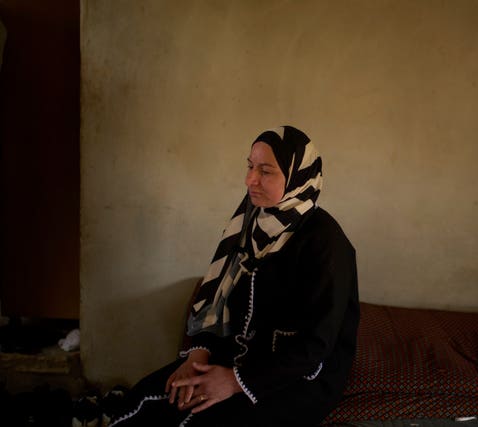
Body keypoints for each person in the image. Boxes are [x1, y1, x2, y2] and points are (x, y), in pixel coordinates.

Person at [109, 126, 360, 427]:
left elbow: (315, 347)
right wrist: (198, 354)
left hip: (298, 376)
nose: (249, 180)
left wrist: (234, 381)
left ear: (298, 177)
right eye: (250, 166)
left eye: (265, 171)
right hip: (242, 355)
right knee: (142, 400)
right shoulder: (251, 221)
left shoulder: (326, 244)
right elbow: (219, 295)